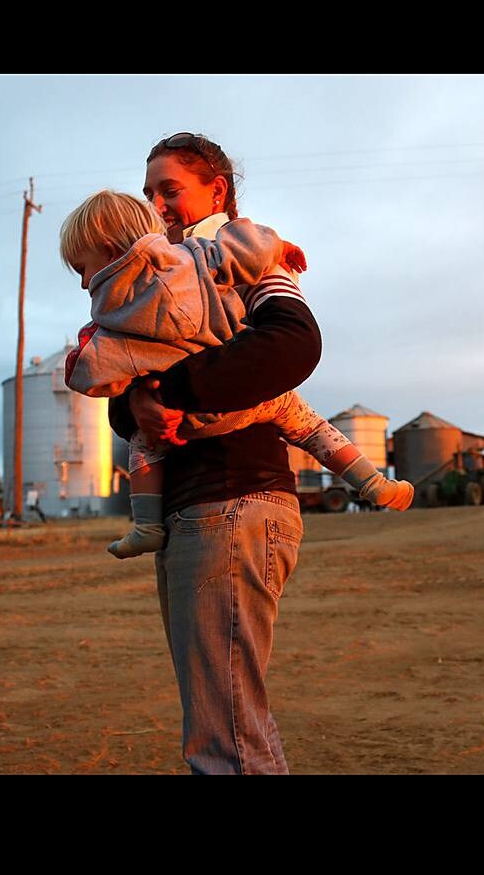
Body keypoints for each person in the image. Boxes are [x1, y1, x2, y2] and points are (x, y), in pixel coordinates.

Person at [107, 132, 324, 774]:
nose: (156, 203)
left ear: (216, 191)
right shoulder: (161, 276)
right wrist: (139, 403)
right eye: (148, 193)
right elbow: (125, 395)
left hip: (234, 501)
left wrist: (170, 390)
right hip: (192, 509)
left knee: (223, 735)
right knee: (227, 721)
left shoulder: (251, 257)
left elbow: (292, 343)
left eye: (168, 189)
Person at [59, 190, 413, 558]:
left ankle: (146, 526)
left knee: (143, 445)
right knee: (310, 426)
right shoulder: (192, 259)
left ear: (110, 250)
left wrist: (94, 374)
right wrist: (277, 248)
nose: (85, 283)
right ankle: (373, 483)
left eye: (83, 268)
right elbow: (245, 249)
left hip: (187, 424)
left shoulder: (109, 320)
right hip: (241, 396)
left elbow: (95, 372)